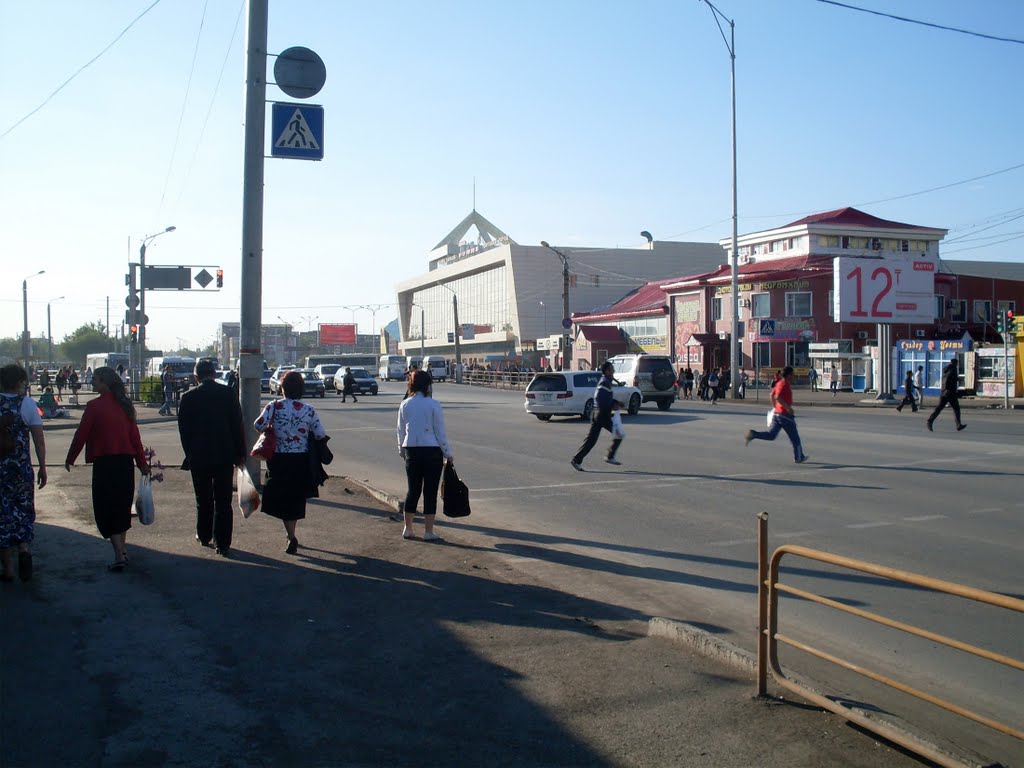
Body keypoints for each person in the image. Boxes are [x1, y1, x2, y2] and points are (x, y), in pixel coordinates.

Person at [64, 367, 149, 572]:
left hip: (105, 465)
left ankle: (119, 554)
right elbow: (135, 438)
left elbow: (81, 435)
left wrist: (71, 457)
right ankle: (122, 550)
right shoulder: (125, 406)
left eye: (95, 379)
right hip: (125, 463)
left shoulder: (94, 407)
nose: (92, 383)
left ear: (105, 382)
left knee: (105, 509)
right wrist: (142, 464)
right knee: (121, 508)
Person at [177, 359, 246, 557]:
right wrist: (240, 453)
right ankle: (222, 542)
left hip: (199, 455)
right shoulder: (227, 394)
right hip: (224, 454)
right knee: (223, 500)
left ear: (196, 376)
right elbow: (237, 425)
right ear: (214, 374)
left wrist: (188, 453)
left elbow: (184, 431)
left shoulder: (188, 397)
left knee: (203, 497)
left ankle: (204, 534)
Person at [254, 370, 326, 554]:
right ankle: (291, 535)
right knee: (294, 499)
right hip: (300, 460)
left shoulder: (274, 406)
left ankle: (290, 536)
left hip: (278, 459)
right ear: (301, 388)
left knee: (280, 498)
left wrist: (271, 430)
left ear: (282, 388)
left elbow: (258, 425)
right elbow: (320, 434)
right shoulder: (309, 410)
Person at [0, 364, 46, 583]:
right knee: (23, 508)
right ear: (19, 381)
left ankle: (8, 569)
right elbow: (38, 439)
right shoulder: (26, 403)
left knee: (2, 514)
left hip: (0, 469)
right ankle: (24, 548)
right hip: (21, 467)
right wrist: (43, 466)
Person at [396, 370, 453, 541]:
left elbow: (400, 430)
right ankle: (428, 531)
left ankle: (408, 528)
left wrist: (402, 450)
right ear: (427, 385)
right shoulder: (434, 404)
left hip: (411, 450)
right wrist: (448, 453)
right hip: (432, 452)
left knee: (412, 490)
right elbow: (440, 432)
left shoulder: (405, 404)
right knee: (430, 492)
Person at [744, 366, 808, 464]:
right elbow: (777, 397)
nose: (794, 376)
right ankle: (799, 457)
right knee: (795, 438)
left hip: (777, 414)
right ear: (789, 375)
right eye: (793, 374)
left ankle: (754, 434)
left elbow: (771, 395)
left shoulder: (779, 383)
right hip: (785, 415)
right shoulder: (784, 384)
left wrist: (775, 407)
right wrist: (787, 408)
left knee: (771, 435)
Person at [570, 361, 623, 471]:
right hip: (601, 414)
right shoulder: (604, 383)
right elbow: (600, 399)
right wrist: (611, 406)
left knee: (591, 440)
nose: (613, 371)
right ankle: (610, 456)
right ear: (607, 371)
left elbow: (606, 399)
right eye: (612, 369)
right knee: (619, 434)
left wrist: (615, 402)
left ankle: (576, 460)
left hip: (599, 413)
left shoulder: (606, 381)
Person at [927, 357, 965, 433]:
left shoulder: (946, 369)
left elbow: (948, 379)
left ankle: (930, 421)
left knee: (939, 407)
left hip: (944, 392)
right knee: (956, 409)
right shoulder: (953, 369)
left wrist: (955, 380)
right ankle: (958, 425)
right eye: (957, 363)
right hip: (950, 392)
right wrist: (948, 388)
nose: (957, 365)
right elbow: (948, 379)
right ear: (955, 363)